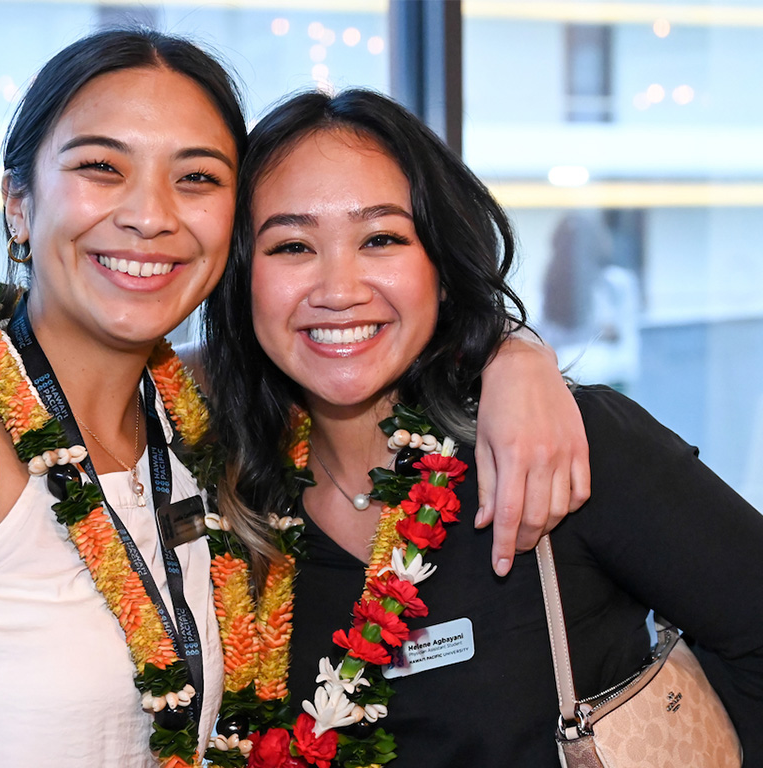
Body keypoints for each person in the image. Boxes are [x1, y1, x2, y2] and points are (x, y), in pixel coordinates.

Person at [0, 31, 588, 768]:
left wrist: (516, 356)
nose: (150, 217)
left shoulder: (205, 422)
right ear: (19, 204)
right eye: (102, 168)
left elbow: (357, 339)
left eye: (197, 178)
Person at [203, 89, 763, 767]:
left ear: (439, 268)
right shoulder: (229, 500)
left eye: (381, 238)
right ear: (242, 282)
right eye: (292, 246)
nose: (338, 287)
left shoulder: (563, 442)